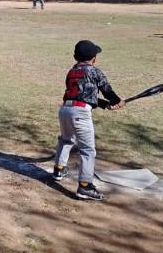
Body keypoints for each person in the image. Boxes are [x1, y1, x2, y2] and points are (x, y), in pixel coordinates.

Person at [52, 40, 124, 201]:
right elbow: (106, 90)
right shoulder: (94, 71)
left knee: (66, 140)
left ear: (75, 56)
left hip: (65, 109)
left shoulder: (72, 71)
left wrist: (106, 105)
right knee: (87, 150)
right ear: (93, 58)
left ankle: (58, 169)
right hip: (80, 113)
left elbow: (82, 94)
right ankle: (85, 186)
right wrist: (116, 100)